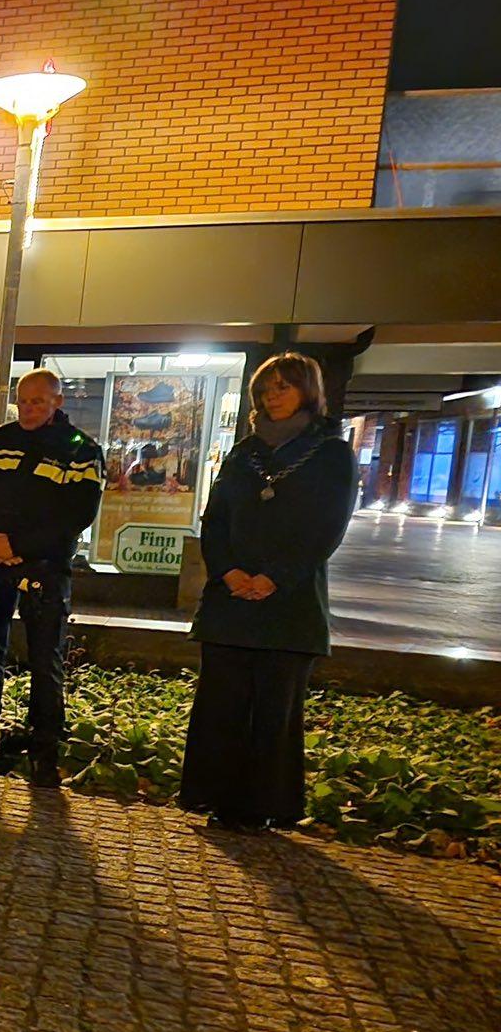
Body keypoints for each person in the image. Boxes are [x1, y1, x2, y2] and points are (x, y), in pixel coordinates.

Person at [181, 354, 357, 830]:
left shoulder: (331, 454)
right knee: (223, 702)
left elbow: (327, 528)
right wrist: (228, 572)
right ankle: (217, 799)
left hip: (289, 603)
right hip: (230, 599)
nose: (272, 395)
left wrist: (275, 576)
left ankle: (263, 805)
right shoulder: (244, 454)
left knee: (274, 709)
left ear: (308, 392)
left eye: (283, 386)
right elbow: (214, 520)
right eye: (266, 388)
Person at [0, 370, 102, 788]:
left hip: (45, 568)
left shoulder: (83, 452)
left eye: (39, 401)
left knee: (45, 659)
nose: (30, 408)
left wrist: (19, 544)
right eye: (24, 400)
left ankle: (43, 758)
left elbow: (77, 515)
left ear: (58, 401)